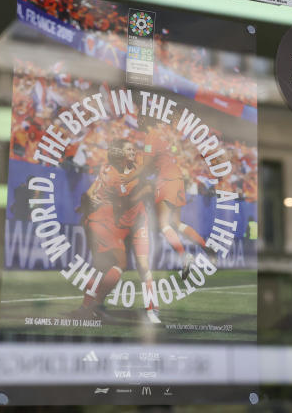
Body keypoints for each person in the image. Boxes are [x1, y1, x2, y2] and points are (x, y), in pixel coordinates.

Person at [72, 138, 160, 324]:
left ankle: (152, 309)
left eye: (133, 148)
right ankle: (92, 306)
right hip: (114, 224)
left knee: (141, 266)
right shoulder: (113, 175)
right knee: (114, 266)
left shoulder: (125, 165)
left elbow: (152, 154)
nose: (133, 151)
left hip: (137, 223)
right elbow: (128, 196)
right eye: (128, 149)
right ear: (119, 153)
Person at [140, 117, 208, 279]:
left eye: (140, 119)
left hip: (166, 179)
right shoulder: (165, 136)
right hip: (177, 178)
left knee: (164, 225)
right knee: (176, 223)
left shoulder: (152, 135)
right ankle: (205, 246)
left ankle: (185, 256)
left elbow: (146, 163)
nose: (138, 121)